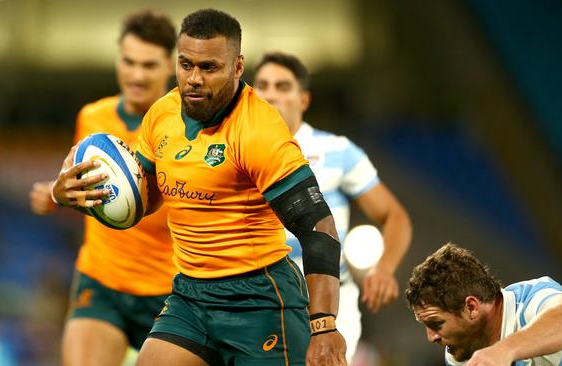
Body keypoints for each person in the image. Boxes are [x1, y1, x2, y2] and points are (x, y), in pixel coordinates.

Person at [51, 8, 348, 366]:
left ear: (237, 67)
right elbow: (141, 201)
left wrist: (324, 325)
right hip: (190, 294)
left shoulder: (260, 131)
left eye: (208, 68)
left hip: (259, 299)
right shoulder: (162, 115)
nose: (193, 78)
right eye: (186, 64)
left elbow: (318, 228)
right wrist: (80, 196)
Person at [28, 10, 177, 366]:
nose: (137, 75)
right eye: (129, 62)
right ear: (118, 59)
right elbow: (94, 191)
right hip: (102, 281)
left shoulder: (189, 126)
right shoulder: (92, 119)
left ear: (170, 65)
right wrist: (56, 196)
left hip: (172, 293)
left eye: (150, 65)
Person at [253, 51, 412, 362]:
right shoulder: (235, 150)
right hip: (260, 301)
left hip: (328, 306)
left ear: (304, 100)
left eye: (282, 87)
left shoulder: (337, 150)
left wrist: (384, 269)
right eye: (263, 85)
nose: (271, 95)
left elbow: (394, 215)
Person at [406, 243, 562, 365]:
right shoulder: (461, 355)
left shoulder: (532, 301)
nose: (431, 337)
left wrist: (505, 349)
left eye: (436, 323)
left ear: (471, 307)